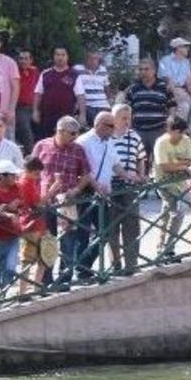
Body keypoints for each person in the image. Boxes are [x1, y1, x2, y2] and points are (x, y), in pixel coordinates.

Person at [32, 115, 94, 285]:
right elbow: (31, 173)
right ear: (60, 131)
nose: (75, 137)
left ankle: (64, 279)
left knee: (69, 241)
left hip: (68, 203)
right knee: (47, 241)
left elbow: (86, 174)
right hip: (46, 203)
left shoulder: (78, 150)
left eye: (77, 133)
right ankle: (45, 280)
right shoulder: (41, 146)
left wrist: (76, 190)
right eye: (72, 133)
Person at [77, 111, 122, 273]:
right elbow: (83, 170)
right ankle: (81, 271)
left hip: (103, 194)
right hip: (86, 192)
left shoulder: (109, 143)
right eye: (110, 126)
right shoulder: (83, 142)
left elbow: (116, 164)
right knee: (83, 233)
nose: (113, 130)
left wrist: (131, 177)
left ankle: (84, 266)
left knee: (105, 231)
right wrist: (96, 186)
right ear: (99, 125)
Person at [153, 116, 191, 261]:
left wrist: (176, 164)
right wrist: (182, 165)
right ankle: (167, 249)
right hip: (164, 182)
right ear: (170, 131)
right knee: (177, 212)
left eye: (182, 133)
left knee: (168, 214)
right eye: (178, 132)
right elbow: (164, 166)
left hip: (180, 183)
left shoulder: (185, 140)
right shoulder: (161, 143)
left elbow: (190, 161)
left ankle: (163, 248)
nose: (181, 136)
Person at [111, 104, 147, 274]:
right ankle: (115, 264)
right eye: (123, 118)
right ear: (114, 119)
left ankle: (131, 264)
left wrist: (141, 175)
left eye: (129, 118)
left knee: (132, 226)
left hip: (130, 187)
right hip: (111, 187)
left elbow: (141, 158)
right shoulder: (108, 137)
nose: (127, 121)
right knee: (111, 228)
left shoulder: (134, 136)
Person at [124, 57, 174, 164]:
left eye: (146, 69)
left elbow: (172, 105)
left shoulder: (164, 87)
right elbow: (127, 108)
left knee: (159, 162)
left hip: (158, 130)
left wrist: (170, 121)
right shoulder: (133, 88)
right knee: (140, 162)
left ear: (154, 71)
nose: (143, 72)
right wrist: (129, 125)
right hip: (139, 131)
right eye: (141, 69)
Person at [16, 156, 53, 294]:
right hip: (32, 225)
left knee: (43, 257)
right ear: (29, 171)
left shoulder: (27, 182)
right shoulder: (26, 183)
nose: (38, 176)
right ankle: (24, 291)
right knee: (28, 259)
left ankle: (34, 289)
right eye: (36, 173)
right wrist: (53, 190)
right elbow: (37, 204)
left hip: (36, 224)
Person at [0, 160, 25, 292]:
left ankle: (5, 292)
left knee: (10, 266)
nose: (15, 178)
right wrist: (9, 212)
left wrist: (17, 204)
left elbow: (22, 202)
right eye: (12, 175)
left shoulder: (16, 188)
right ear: (2, 176)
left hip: (13, 233)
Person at [33, 47, 80, 139]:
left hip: (66, 116)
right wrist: (35, 111)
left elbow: (80, 95)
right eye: (57, 55)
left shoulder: (74, 75)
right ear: (53, 56)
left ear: (67, 57)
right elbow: (38, 93)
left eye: (63, 55)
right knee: (46, 140)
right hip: (47, 116)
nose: (60, 57)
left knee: (66, 140)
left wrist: (82, 114)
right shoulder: (45, 74)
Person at [159, 37, 191, 125]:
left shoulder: (186, 62)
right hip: (168, 90)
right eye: (185, 46)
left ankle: (190, 131)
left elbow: (189, 82)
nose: (188, 49)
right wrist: (176, 91)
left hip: (182, 90)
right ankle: (177, 130)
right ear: (178, 48)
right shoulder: (165, 60)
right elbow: (167, 79)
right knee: (184, 107)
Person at [75, 49, 112, 128]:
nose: (93, 61)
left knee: (105, 129)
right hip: (88, 105)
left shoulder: (103, 70)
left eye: (96, 58)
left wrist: (110, 102)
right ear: (86, 59)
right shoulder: (77, 69)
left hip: (103, 105)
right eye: (90, 58)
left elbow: (107, 87)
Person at [15, 49, 40, 152]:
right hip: (20, 107)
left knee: (38, 132)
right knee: (26, 132)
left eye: (26, 59)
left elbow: (38, 89)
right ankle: (31, 155)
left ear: (31, 60)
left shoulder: (35, 71)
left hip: (34, 107)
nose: (23, 61)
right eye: (21, 59)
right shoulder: (15, 72)